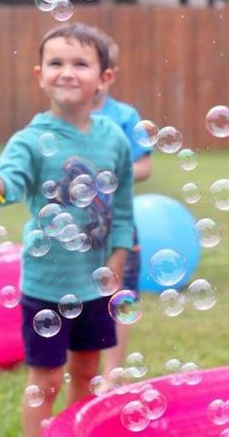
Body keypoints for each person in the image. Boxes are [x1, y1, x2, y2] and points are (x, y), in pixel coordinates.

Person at [0, 22, 134, 437]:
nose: (67, 72)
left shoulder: (114, 139)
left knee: (88, 373)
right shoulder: (31, 140)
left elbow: (123, 208)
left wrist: (117, 259)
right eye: (55, 62)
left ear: (104, 78)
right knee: (47, 380)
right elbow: (7, 187)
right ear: (39, 75)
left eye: (80, 63)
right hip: (45, 286)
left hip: (95, 285)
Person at [92, 35, 152, 379]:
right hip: (76, 227)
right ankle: (85, 367)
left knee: (120, 297)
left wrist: (113, 173)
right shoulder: (66, 119)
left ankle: (113, 373)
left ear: (108, 75)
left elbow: (144, 166)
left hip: (118, 224)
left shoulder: (125, 116)